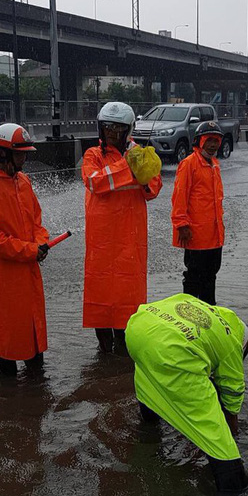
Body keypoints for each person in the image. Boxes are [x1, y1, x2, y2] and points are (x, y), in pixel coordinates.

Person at [125, 293, 248, 494]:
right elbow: (232, 392)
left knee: (149, 374)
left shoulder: (202, 307)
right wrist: (231, 431)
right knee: (215, 434)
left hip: (137, 328)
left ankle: (148, 422)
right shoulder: (232, 344)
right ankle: (234, 488)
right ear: (244, 345)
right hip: (173, 350)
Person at [0, 123, 49, 380]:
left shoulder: (23, 181)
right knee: (8, 340)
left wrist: (41, 242)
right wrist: (29, 250)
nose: (24, 158)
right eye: (20, 153)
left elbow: (36, 221)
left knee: (33, 338)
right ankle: (11, 399)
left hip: (27, 273)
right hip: (2, 280)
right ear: (3, 153)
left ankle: (35, 394)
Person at [82, 101, 162, 354]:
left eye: (117, 129)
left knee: (128, 301)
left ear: (128, 130)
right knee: (101, 301)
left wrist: (143, 173)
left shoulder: (142, 154)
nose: (112, 134)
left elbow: (153, 190)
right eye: (107, 129)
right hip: (101, 241)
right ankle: (105, 355)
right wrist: (129, 166)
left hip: (130, 239)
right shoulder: (93, 155)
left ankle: (124, 354)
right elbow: (94, 183)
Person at [171, 120, 225, 305]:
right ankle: (190, 314)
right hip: (196, 234)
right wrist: (181, 225)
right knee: (194, 277)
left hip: (215, 234)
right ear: (199, 141)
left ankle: (210, 311)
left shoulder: (214, 165)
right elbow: (179, 196)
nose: (213, 145)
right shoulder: (189, 164)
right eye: (209, 140)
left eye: (216, 140)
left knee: (211, 275)